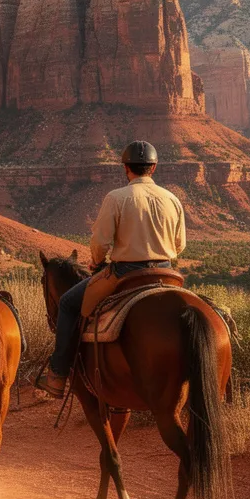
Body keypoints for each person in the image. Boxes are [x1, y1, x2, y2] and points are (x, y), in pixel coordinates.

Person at [34, 141, 185, 398]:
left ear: (126, 168)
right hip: (167, 272)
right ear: (154, 167)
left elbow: (100, 242)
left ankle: (58, 374)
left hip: (127, 272)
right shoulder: (172, 199)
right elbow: (179, 245)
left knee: (69, 304)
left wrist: (96, 260)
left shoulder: (116, 197)